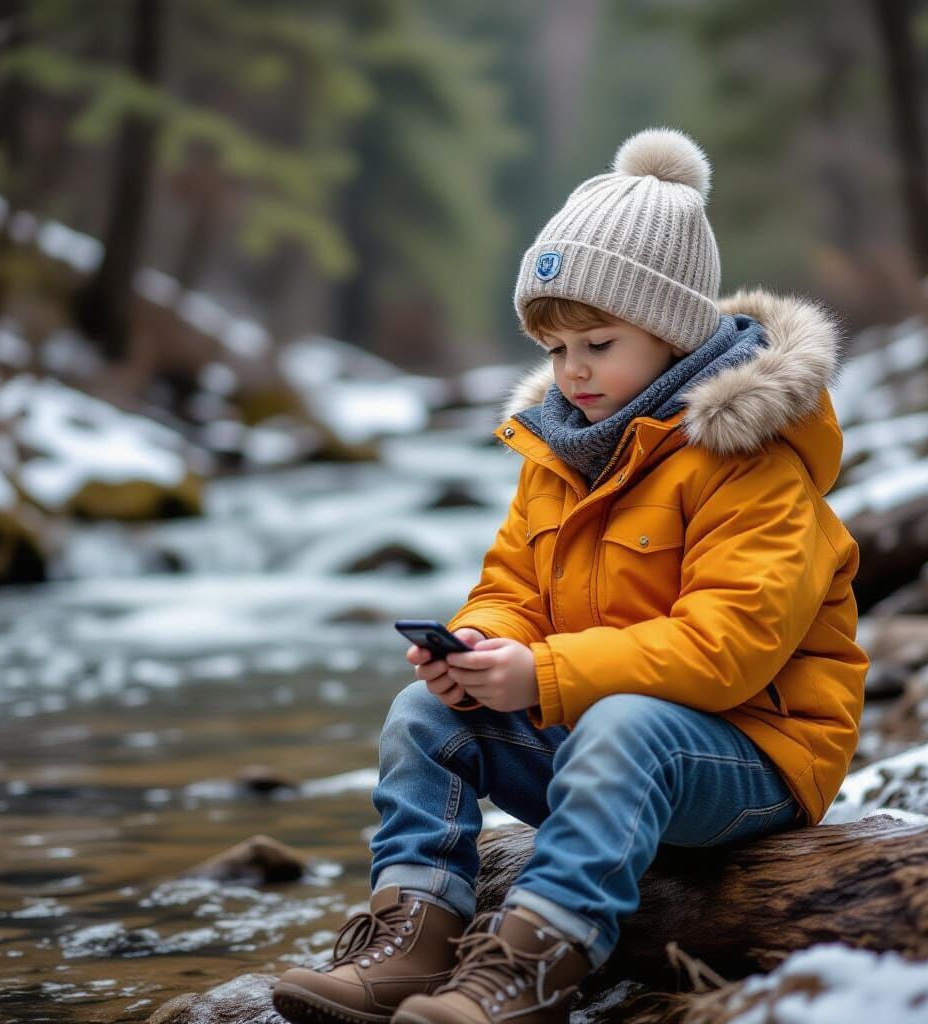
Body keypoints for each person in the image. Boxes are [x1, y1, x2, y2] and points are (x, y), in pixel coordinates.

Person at [273, 127, 869, 1024]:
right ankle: (412, 937)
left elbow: (730, 649)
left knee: (628, 726)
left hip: (752, 755)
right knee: (427, 715)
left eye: (597, 342)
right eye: (555, 350)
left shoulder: (749, 460)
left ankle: (533, 962)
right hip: (600, 735)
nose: (572, 371)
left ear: (669, 333)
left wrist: (543, 674)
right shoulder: (563, 453)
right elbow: (513, 579)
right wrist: (482, 645)